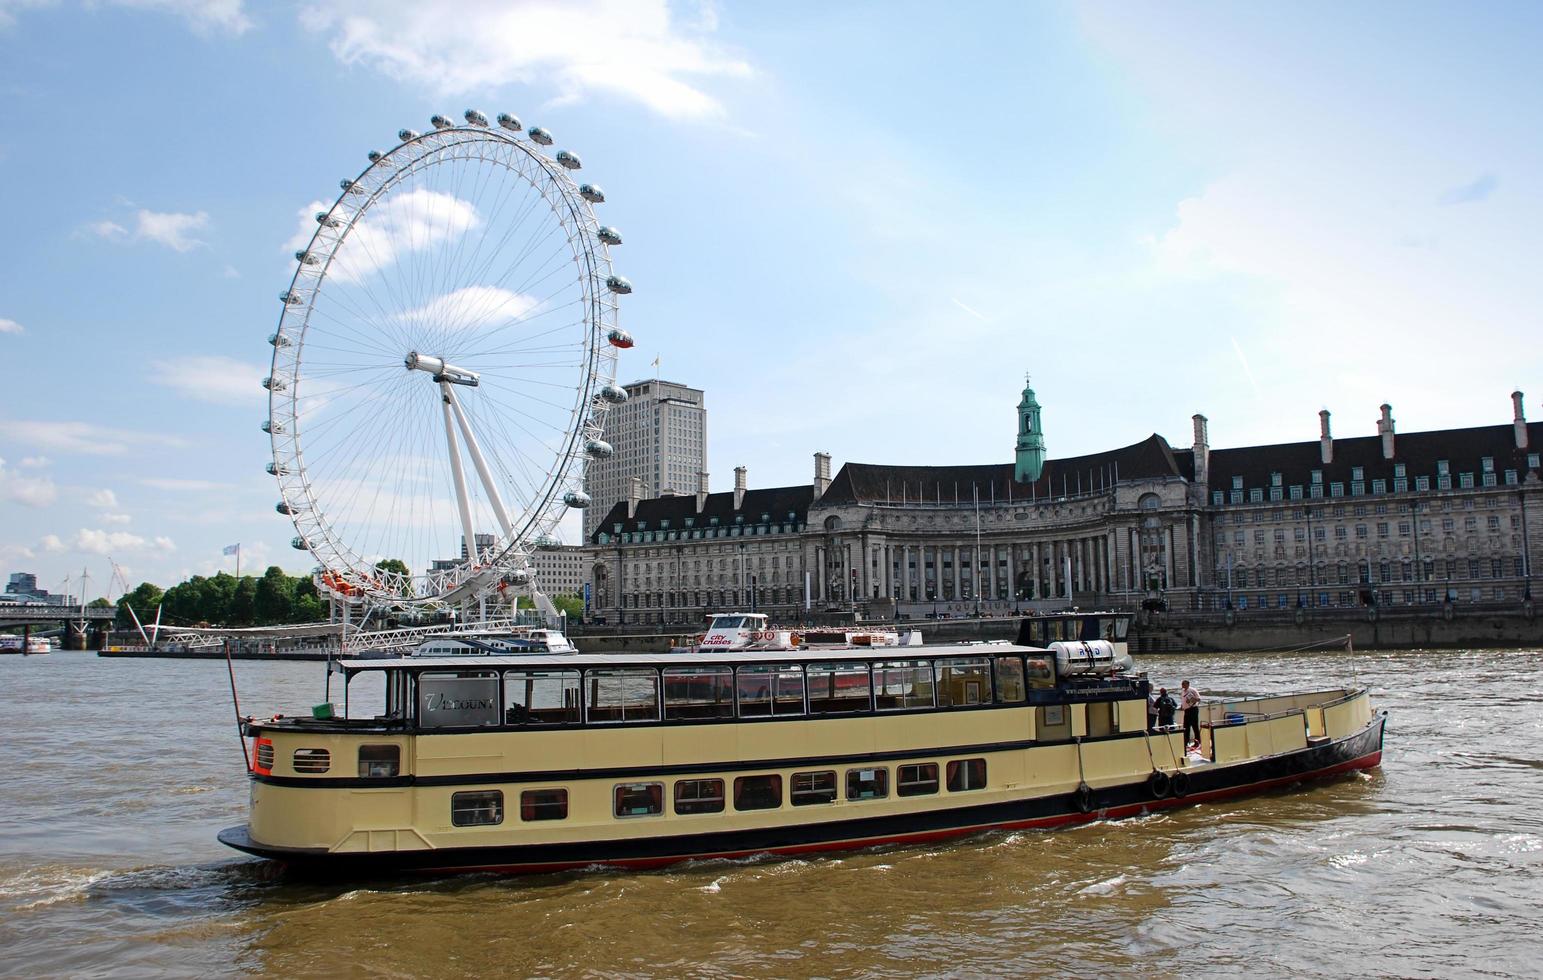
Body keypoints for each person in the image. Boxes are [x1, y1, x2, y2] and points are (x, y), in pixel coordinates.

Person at [1180, 679, 1202, 748]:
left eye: (1184, 684)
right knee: (1186, 727)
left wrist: (1191, 700)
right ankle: (1186, 742)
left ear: (1188, 684)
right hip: (1186, 711)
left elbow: (1198, 699)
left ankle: (1197, 742)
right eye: (1182, 684)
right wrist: (1182, 706)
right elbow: (1183, 700)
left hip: (1193, 710)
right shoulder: (1183, 691)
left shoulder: (1193, 690)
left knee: (1194, 726)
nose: (1182, 685)